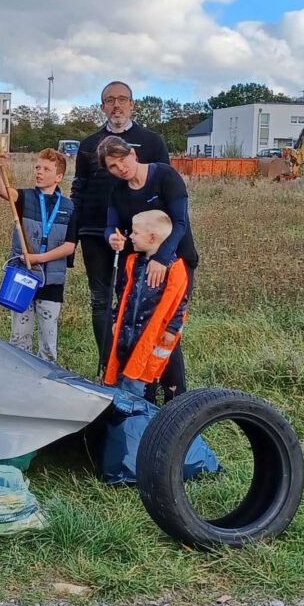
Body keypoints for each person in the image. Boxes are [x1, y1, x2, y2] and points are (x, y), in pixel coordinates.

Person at [71, 81, 169, 359]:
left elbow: (163, 186)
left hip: (136, 236)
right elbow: (79, 188)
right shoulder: (89, 144)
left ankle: (134, 363)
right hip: (93, 233)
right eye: (110, 100)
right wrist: (74, 230)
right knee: (100, 301)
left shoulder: (152, 141)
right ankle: (108, 365)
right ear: (102, 107)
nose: (117, 105)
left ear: (132, 105)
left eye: (122, 99)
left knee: (134, 300)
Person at [101, 135, 198, 402]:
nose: (120, 168)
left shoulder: (165, 176)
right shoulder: (118, 190)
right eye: (112, 166)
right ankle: (139, 392)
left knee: (164, 329)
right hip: (139, 265)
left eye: (122, 160)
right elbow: (111, 225)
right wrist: (112, 237)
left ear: (133, 153)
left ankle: (175, 397)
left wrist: (163, 259)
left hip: (175, 261)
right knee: (135, 324)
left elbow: (180, 223)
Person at [0, 149, 78, 363]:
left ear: (58, 177)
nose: (39, 172)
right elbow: (4, 191)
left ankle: (47, 380)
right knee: (19, 337)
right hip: (23, 276)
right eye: (37, 167)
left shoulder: (69, 207)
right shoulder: (25, 197)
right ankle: (18, 376)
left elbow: (69, 246)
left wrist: (39, 258)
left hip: (51, 281)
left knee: (48, 341)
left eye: (46, 169)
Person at [102, 210, 189, 400]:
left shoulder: (174, 268)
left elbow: (180, 302)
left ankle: (136, 418)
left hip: (149, 336)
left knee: (138, 382)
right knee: (120, 374)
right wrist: (117, 319)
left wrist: (172, 329)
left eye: (135, 233)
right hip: (127, 333)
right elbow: (124, 294)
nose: (130, 236)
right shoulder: (134, 262)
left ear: (152, 238)